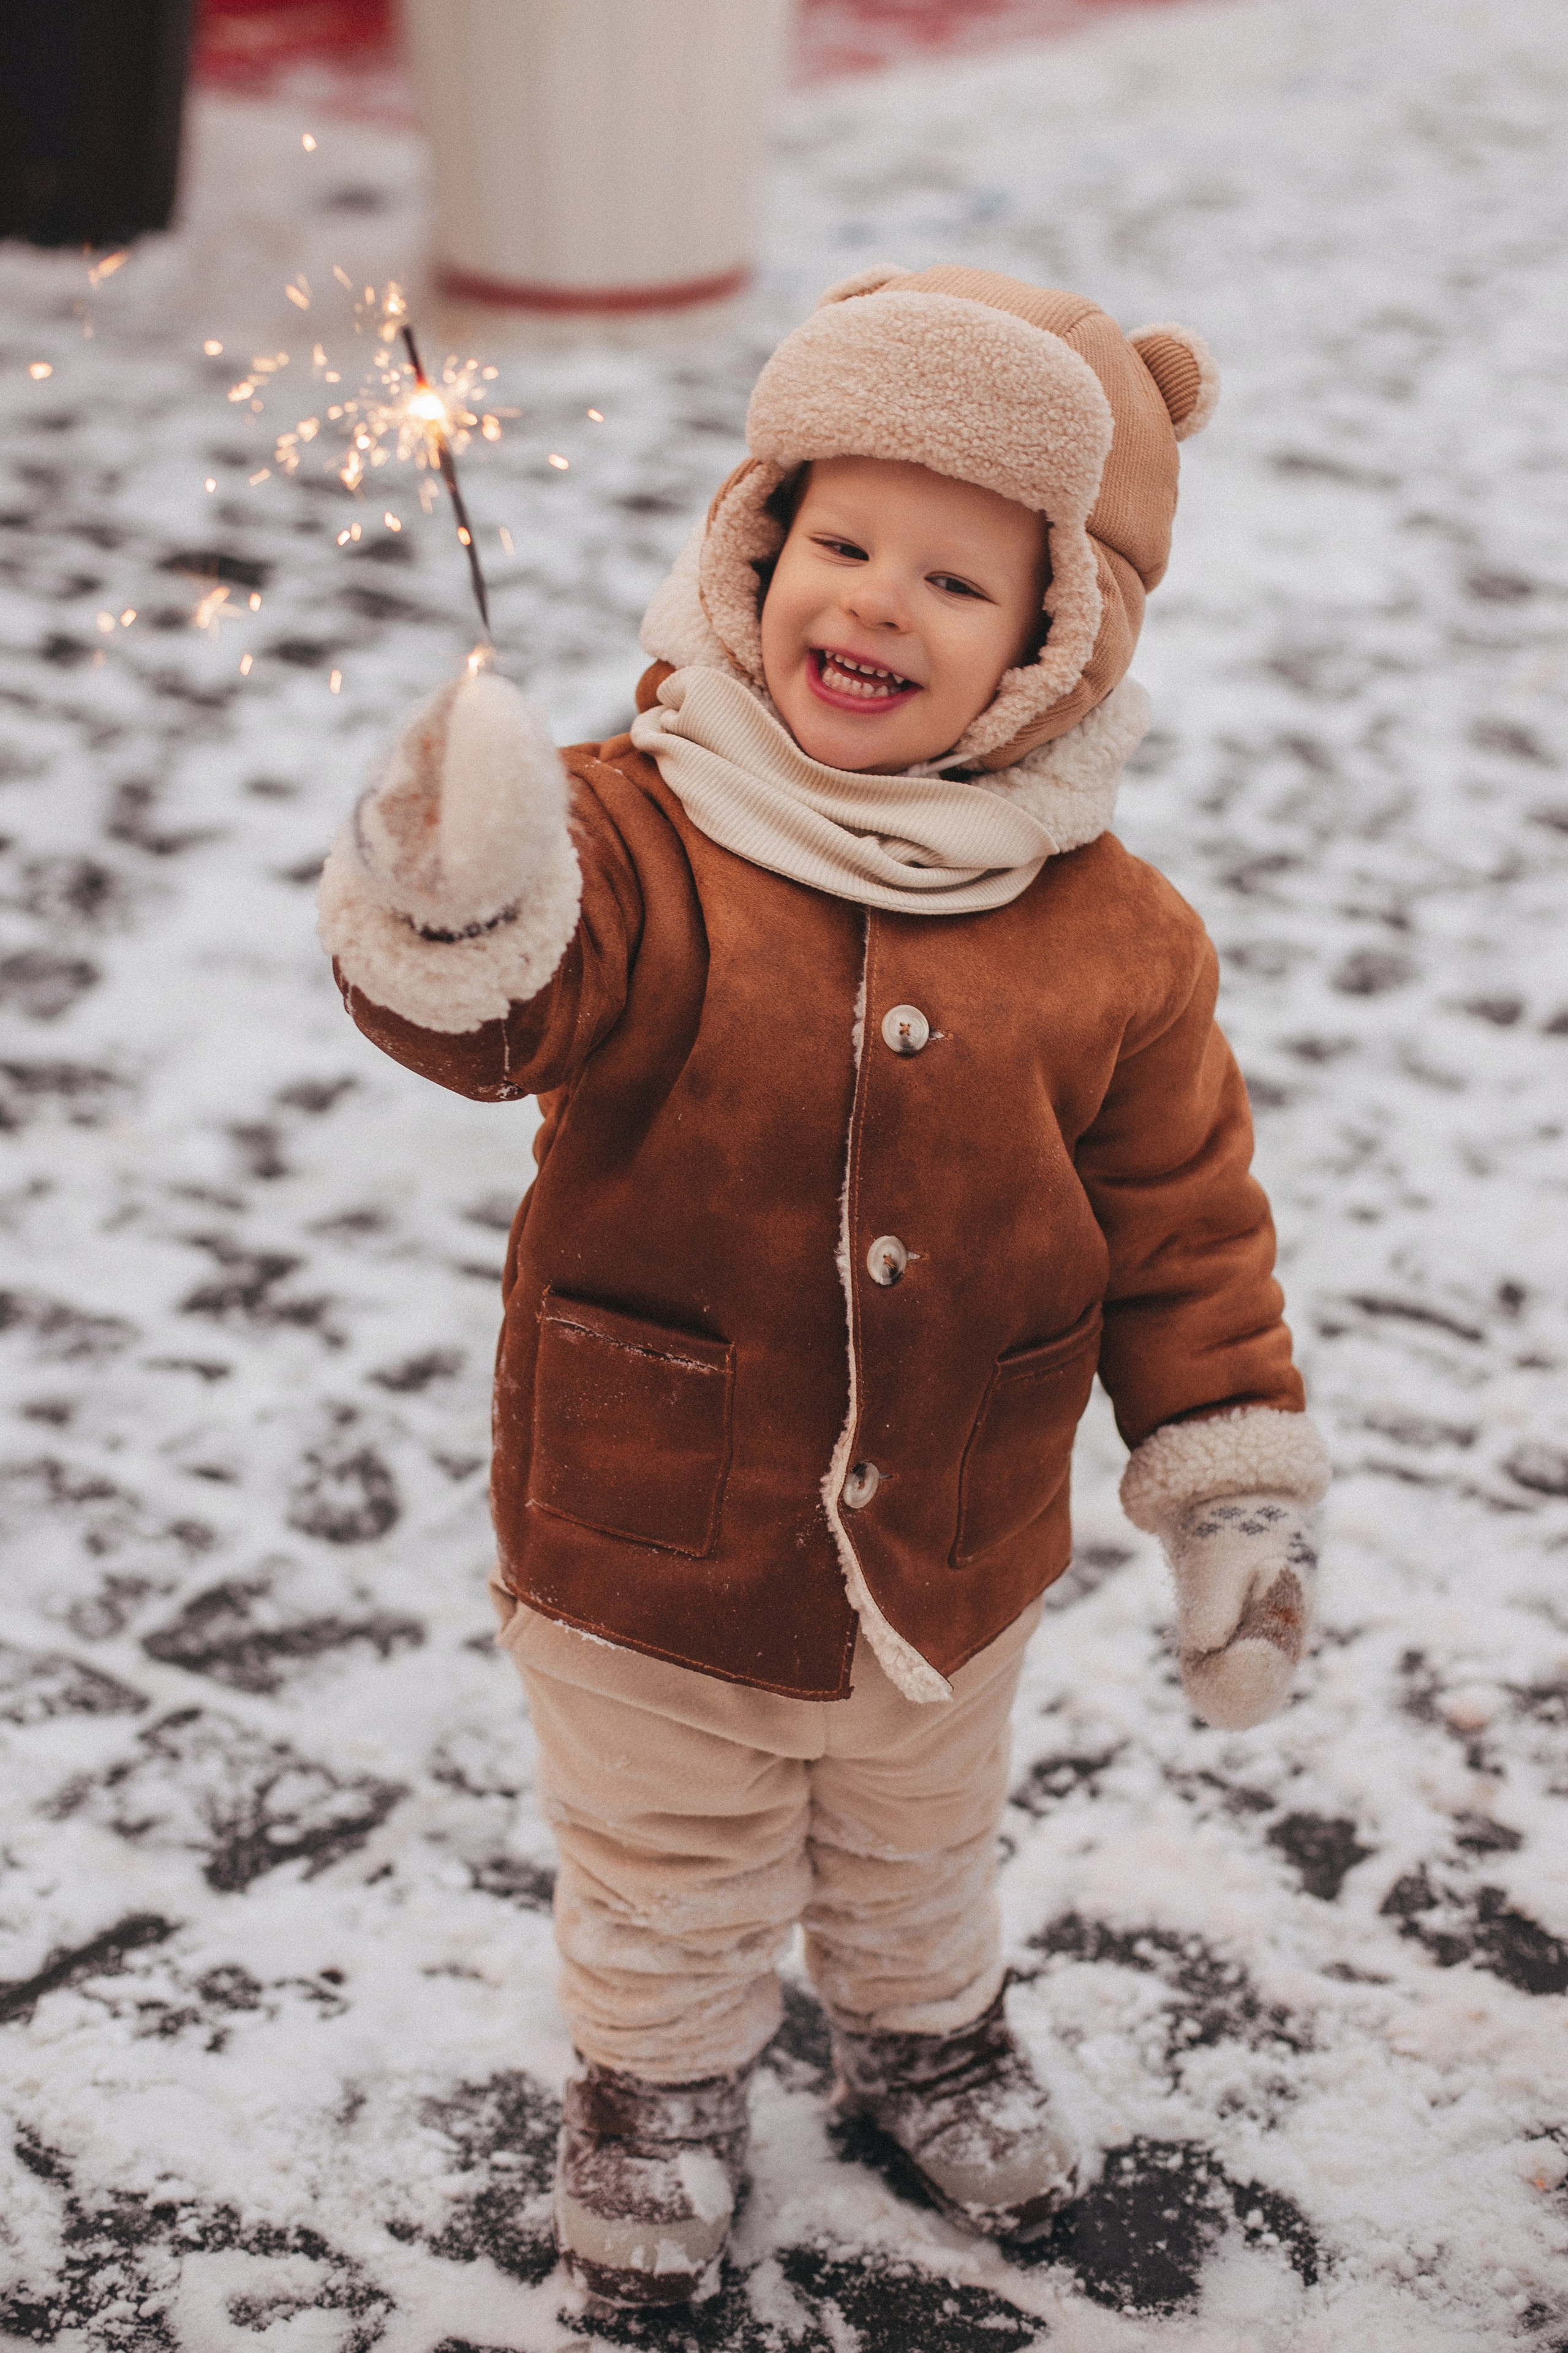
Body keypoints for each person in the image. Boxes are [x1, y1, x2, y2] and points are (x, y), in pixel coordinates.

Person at [318, 265, 1329, 2311]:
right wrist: (456, 882)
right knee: (672, 1865)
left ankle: (919, 2035)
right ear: (754, 544)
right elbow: (500, 1012)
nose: (871, 601)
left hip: (955, 1536)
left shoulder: (1117, 937)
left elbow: (1186, 1219)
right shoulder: (640, 830)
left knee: (914, 1843)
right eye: (838, 541)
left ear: (1058, 646)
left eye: (957, 584)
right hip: (650, 1530)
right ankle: (658, 2095)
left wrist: (1226, 1488)